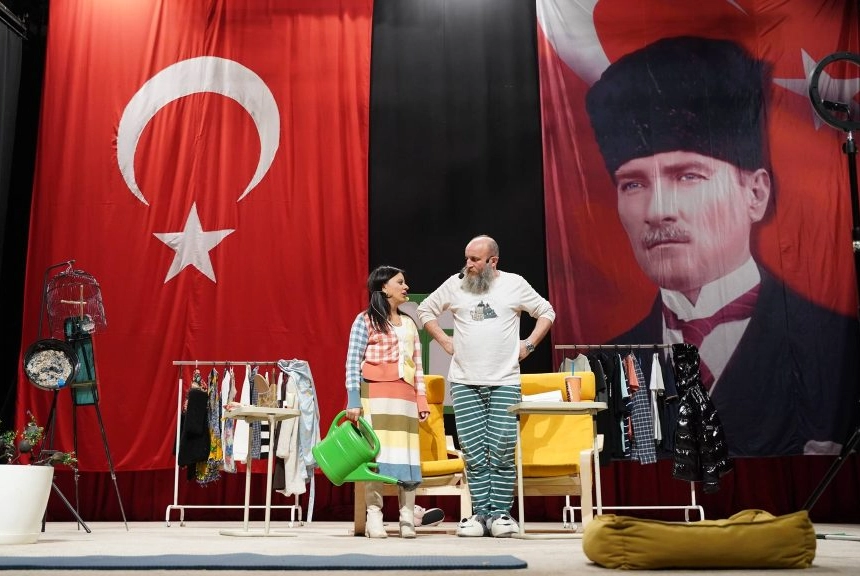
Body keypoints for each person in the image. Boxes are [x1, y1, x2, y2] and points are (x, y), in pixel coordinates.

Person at [584, 36, 860, 457]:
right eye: (633, 184)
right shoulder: (604, 364)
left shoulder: (839, 345)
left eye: (688, 176)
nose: (657, 211)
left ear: (755, 193)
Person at [416, 235, 555, 537]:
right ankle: (480, 515)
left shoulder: (514, 284)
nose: (468, 265)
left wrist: (529, 345)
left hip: (504, 381)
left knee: (502, 449)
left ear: (493, 261)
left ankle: (501, 514)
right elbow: (425, 310)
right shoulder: (456, 284)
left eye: (475, 260)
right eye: (467, 258)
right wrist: (444, 341)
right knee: (474, 450)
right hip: (464, 381)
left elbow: (546, 312)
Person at [345, 265, 430, 539]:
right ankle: (375, 516)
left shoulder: (409, 323)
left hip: (405, 397)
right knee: (377, 455)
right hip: (375, 395)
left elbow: (417, 365)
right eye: (400, 282)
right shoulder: (365, 320)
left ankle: (407, 518)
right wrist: (353, 399)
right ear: (384, 287)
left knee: (407, 455)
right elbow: (352, 362)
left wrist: (421, 398)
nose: (406, 287)